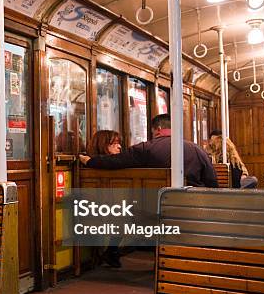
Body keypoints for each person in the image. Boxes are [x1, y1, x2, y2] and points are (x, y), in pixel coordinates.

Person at [79, 114, 218, 188]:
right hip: (194, 206)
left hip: (159, 207)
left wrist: (90, 161)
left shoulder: (147, 148)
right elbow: (212, 181)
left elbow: (118, 160)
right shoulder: (197, 149)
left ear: (157, 129)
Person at [86, 130, 123, 268]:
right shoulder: (96, 164)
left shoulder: (112, 164)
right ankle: (112, 252)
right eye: (114, 143)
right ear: (102, 145)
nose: (119, 147)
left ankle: (112, 252)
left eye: (119, 143)